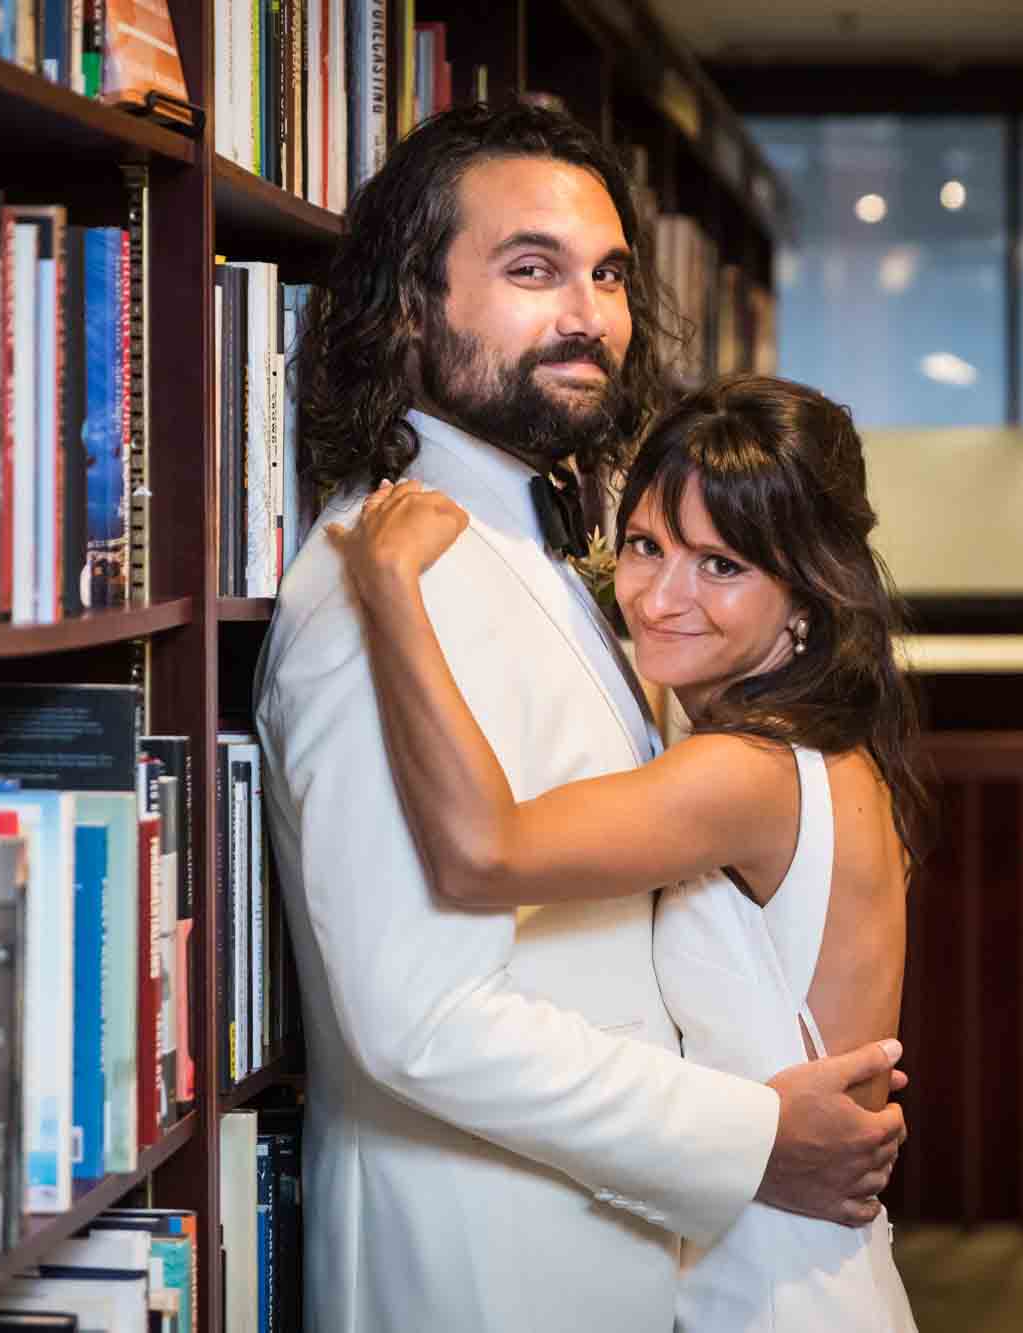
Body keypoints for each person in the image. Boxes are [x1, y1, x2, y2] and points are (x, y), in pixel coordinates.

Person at [254, 102, 910, 1333]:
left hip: (626, 1248)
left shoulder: (558, 547)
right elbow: (416, 1018)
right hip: (483, 1262)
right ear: (408, 304)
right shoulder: (374, 583)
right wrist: (753, 1135)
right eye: (530, 268)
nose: (588, 314)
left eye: (607, 274)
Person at [329, 374, 926, 1331]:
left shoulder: (748, 773)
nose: (660, 598)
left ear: (808, 595)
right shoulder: (811, 747)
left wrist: (391, 588)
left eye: (721, 566)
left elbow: (482, 851)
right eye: (648, 546)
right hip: (775, 1268)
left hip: (775, 1295)